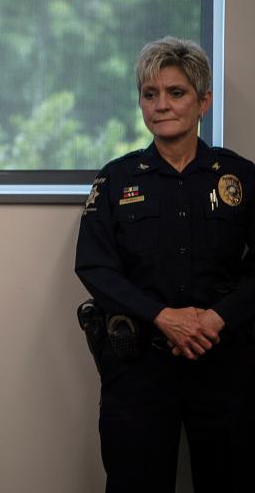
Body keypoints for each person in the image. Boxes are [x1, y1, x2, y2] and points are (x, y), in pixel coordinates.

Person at [75, 37, 255, 492]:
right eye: (150, 94)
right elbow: (95, 267)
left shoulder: (241, 178)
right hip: (139, 369)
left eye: (176, 93)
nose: (161, 105)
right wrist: (163, 317)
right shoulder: (116, 178)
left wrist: (216, 318)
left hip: (225, 366)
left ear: (203, 102)